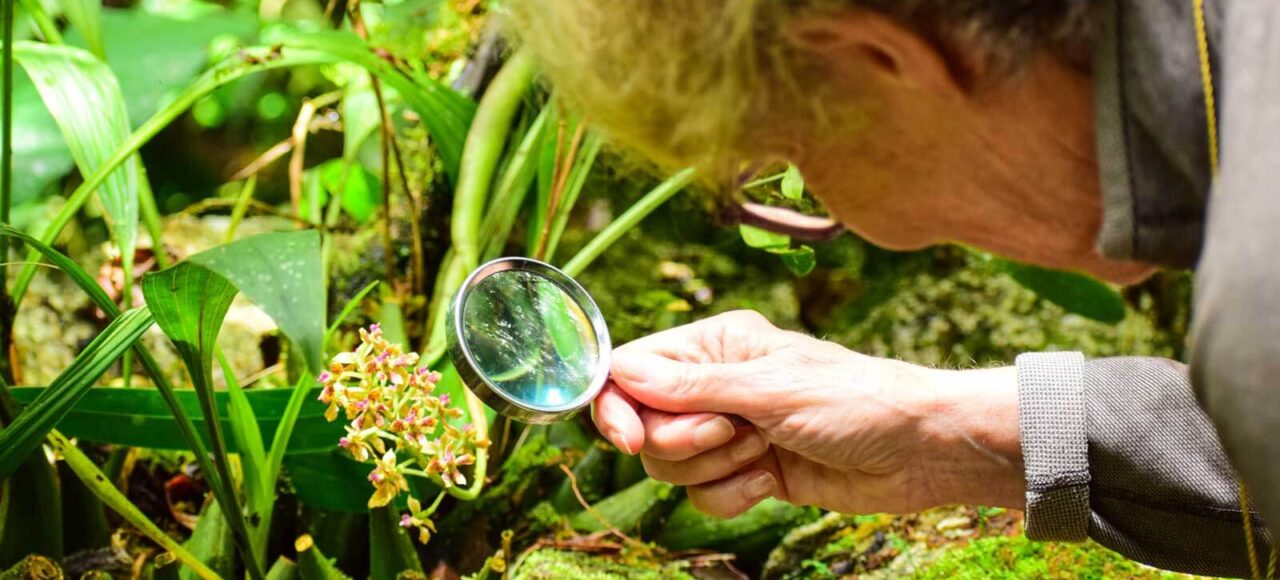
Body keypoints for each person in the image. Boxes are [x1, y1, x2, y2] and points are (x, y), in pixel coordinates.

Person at [507, 1, 1279, 576]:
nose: (837, 216)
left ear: (880, 57)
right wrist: (940, 431)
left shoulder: (1257, 302)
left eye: (788, 165)